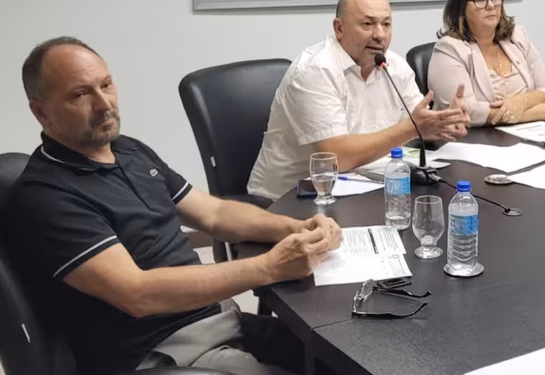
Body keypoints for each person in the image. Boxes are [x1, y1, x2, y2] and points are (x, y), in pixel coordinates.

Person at [5, 37, 343, 375]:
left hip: (215, 319)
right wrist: (271, 266)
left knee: (339, 357)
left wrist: (295, 227)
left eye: (106, 85)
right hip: (158, 352)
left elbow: (215, 213)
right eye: (80, 94)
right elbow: (137, 293)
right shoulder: (46, 195)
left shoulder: (129, 151)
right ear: (41, 112)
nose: (103, 103)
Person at [248, 0, 469, 200]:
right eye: (367, 24)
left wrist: (442, 122)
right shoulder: (316, 70)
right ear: (339, 28)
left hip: (362, 186)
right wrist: (412, 128)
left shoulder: (394, 67)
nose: (379, 35)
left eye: (386, 24)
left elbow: (418, 124)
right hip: (291, 198)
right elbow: (337, 158)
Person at [427, 0, 545, 127]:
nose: (491, 5)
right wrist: (528, 115)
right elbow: (465, 110)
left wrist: (522, 101)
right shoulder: (448, 49)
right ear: (461, 8)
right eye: (480, 0)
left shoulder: (517, 36)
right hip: (473, 138)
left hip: (529, 134)